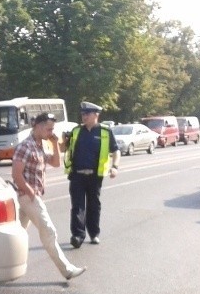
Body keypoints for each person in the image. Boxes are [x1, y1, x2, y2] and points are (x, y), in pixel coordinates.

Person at [12, 113, 86, 280]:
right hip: (28, 196)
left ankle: (0, 268)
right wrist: (30, 193)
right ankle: (67, 270)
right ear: (38, 126)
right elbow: (16, 174)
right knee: (49, 231)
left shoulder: (39, 145)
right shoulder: (25, 146)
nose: (51, 132)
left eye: (52, 129)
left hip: (30, 196)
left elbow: (55, 163)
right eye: (49, 129)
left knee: (17, 234)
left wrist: (54, 143)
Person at [62, 101, 120, 248]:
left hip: (95, 176)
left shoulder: (105, 132)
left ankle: (94, 234)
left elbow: (116, 150)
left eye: (87, 114)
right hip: (77, 175)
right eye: (82, 114)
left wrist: (115, 167)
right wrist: (63, 141)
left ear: (96, 115)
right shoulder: (76, 131)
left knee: (94, 205)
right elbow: (64, 149)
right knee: (77, 206)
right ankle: (77, 235)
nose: (84, 116)